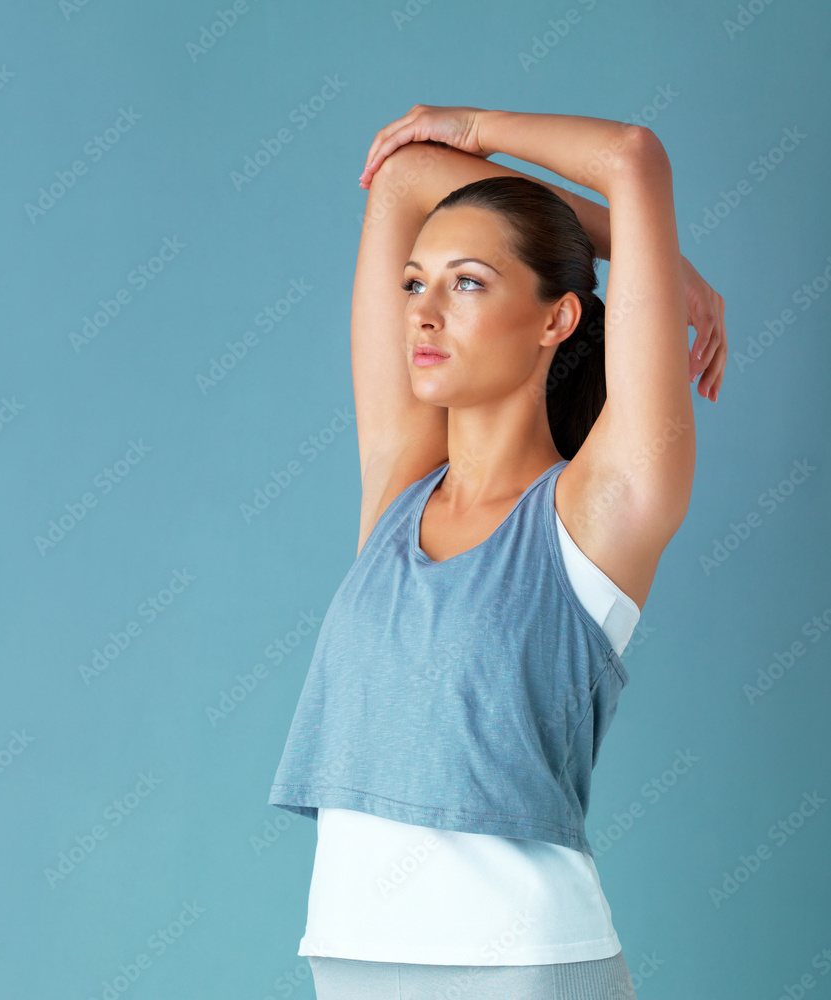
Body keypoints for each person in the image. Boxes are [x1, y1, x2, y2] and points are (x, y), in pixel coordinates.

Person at [268, 105, 727, 999]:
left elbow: (632, 158)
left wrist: (478, 127)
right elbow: (403, 179)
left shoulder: (601, 509)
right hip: (351, 960)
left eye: (468, 283)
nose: (424, 312)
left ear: (558, 319)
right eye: (414, 284)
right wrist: (644, 261)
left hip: (521, 969)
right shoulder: (398, 491)